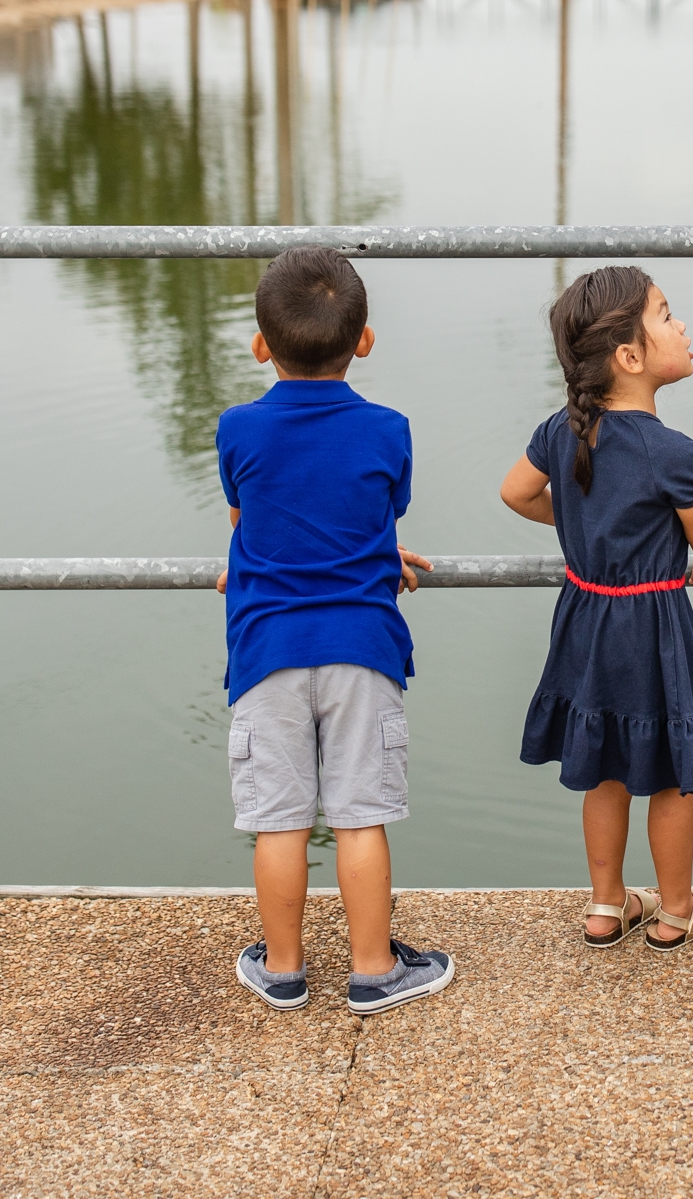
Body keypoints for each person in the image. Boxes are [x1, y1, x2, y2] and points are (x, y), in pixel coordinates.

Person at [215, 246, 451, 1015]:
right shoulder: (389, 430)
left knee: (278, 822)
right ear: (365, 340)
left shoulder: (238, 429)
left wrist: (242, 563)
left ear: (260, 346)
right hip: (362, 648)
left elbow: (249, 517)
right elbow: (376, 514)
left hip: (266, 652)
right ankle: (374, 971)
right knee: (359, 817)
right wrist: (380, 554)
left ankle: (282, 969)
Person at [501, 266, 693, 952]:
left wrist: (584, 532)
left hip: (584, 616)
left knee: (604, 766)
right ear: (630, 358)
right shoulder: (674, 455)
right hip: (653, 627)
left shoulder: (560, 431)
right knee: (668, 771)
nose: (683, 325)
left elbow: (516, 494)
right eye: (668, 315)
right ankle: (673, 912)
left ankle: (606, 906)